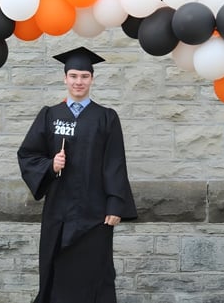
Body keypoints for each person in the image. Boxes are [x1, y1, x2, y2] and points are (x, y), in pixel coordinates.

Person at [17, 46, 137, 303]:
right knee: (56, 271)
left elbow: (115, 162)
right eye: (73, 76)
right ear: (65, 78)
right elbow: (28, 155)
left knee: (95, 273)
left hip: (95, 214)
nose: (78, 81)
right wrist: (51, 165)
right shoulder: (50, 115)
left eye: (84, 76)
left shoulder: (106, 117)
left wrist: (115, 203)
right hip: (58, 212)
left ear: (92, 79)